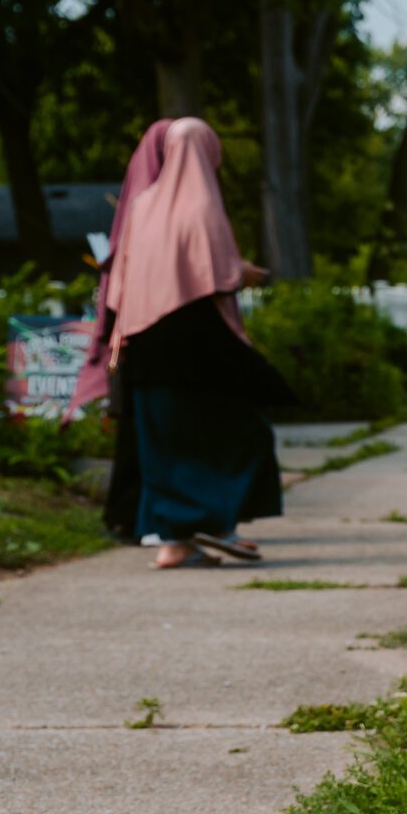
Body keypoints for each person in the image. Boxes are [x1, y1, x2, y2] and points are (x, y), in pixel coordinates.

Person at [107, 117, 291, 569]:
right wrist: (243, 272)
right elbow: (217, 276)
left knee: (162, 444)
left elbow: (120, 280)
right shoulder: (203, 206)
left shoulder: (142, 203)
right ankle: (214, 522)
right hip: (197, 346)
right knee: (241, 433)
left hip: (144, 346)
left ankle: (175, 542)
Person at [70, 117, 170, 537]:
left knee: (139, 425)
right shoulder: (151, 204)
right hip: (144, 334)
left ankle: (131, 513)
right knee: (142, 426)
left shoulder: (143, 199)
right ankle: (134, 514)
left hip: (134, 332)